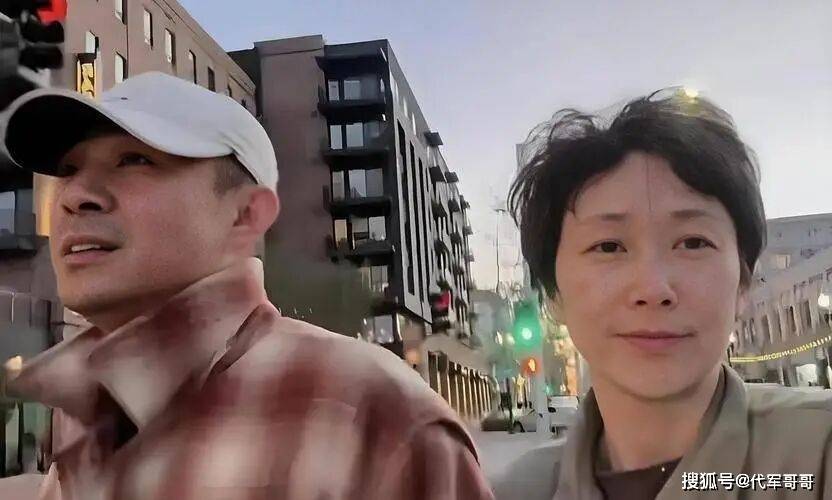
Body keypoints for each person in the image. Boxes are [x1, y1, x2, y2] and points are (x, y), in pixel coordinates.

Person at [2, 72, 494, 500]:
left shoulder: (374, 416)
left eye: (134, 160)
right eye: (68, 170)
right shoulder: (84, 413)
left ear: (246, 215)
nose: (75, 196)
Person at [494, 89, 832, 499]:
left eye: (693, 242)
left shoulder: (817, 456)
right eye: (608, 247)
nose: (653, 290)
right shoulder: (514, 491)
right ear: (553, 294)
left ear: (743, 283)